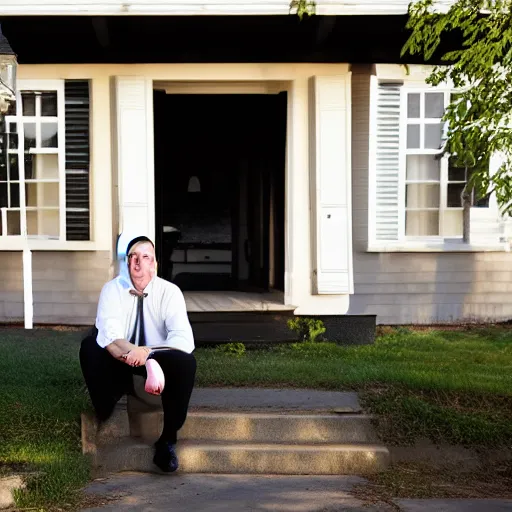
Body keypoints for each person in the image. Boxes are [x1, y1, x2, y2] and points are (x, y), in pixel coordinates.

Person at [79, 235, 196, 473]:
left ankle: (167, 441)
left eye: (145, 257)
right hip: (119, 357)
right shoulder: (112, 289)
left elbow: (183, 339)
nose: (138, 263)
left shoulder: (170, 292)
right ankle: (105, 407)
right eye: (133, 256)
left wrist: (147, 353)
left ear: (154, 264)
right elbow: (109, 337)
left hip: (156, 360)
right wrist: (132, 352)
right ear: (127, 262)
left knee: (186, 362)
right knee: (90, 347)